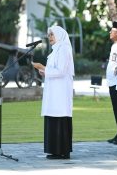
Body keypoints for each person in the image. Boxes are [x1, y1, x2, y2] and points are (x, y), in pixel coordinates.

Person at [32, 25, 75, 160]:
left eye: (52, 34)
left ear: (59, 35)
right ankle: (55, 150)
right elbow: (53, 70)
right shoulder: (55, 50)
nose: (49, 37)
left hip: (61, 92)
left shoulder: (64, 49)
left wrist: (43, 67)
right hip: (54, 91)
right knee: (52, 117)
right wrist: (44, 70)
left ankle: (63, 151)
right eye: (49, 35)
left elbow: (61, 71)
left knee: (60, 117)